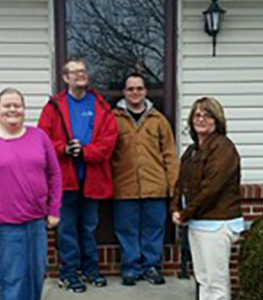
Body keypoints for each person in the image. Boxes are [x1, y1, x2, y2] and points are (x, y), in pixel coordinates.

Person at [0, 87, 62, 300]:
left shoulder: (39, 137)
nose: (12, 109)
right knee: (14, 284)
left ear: (24, 109)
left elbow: (54, 174)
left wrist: (54, 209)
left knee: (35, 281)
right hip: (5, 228)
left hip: (37, 225)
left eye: (17, 105)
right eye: (6, 105)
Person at [38, 58, 118, 293]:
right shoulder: (53, 107)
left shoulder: (100, 105)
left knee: (89, 228)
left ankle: (91, 270)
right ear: (65, 78)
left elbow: (109, 142)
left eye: (83, 71)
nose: (80, 75)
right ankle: (69, 273)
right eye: (74, 72)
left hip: (92, 179)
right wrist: (63, 149)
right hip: (65, 181)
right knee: (66, 230)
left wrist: (85, 152)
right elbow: (42, 141)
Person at [170, 96, 244, 300]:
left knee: (216, 283)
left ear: (217, 120)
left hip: (217, 223)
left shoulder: (223, 148)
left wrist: (184, 214)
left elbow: (211, 189)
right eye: (197, 115)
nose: (201, 119)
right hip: (198, 223)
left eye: (207, 115)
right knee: (203, 279)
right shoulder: (192, 150)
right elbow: (180, 184)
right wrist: (175, 207)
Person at [111, 73, 178, 286]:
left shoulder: (158, 120)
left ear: (145, 91)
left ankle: (151, 267)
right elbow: (107, 153)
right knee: (126, 230)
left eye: (139, 88)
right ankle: (131, 268)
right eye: (130, 89)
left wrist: (173, 186)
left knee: (154, 229)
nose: (135, 93)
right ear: (124, 92)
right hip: (123, 186)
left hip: (155, 186)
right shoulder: (113, 119)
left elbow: (169, 154)